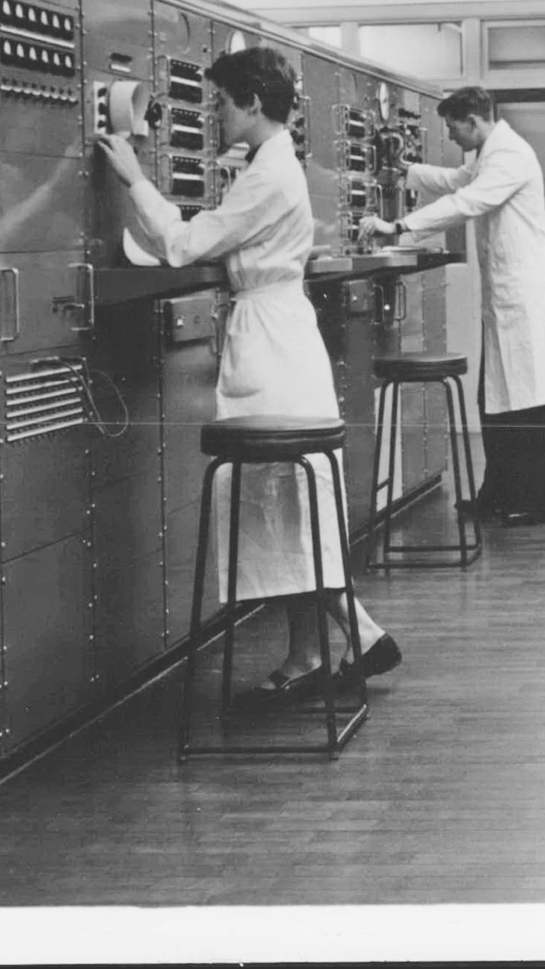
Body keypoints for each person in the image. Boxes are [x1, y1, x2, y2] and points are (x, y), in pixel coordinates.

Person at [97, 45, 399, 699]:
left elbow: (184, 244)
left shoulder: (270, 176)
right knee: (283, 508)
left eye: (223, 103)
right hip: (278, 336)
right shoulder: (271, 166)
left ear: (254, 103)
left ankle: (358, 632)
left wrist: (133, 178)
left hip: (271, 348)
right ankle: (314, 651)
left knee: (276, 505)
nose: (214, 117)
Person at [360, 86, 545, 525]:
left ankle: (539, 502)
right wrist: (405, 170)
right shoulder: (489, 154)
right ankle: (500, 493)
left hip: (525, 299)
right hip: (509, 300)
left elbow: (467, 201)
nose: (452, 136)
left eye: (454, 127)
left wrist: (398, 226)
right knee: (497, 401)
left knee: (528, 405)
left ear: (473, 121)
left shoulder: (509, 154)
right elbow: (457, 181)